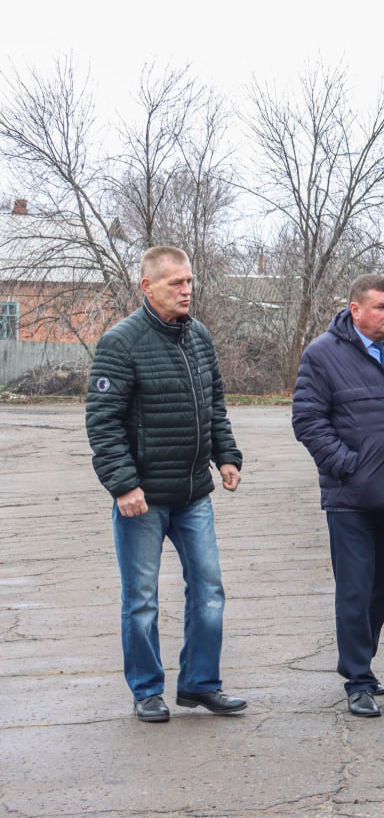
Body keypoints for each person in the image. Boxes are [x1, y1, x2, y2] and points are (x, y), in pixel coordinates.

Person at [85, 245, 246, 723]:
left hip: (194, 493)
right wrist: (123, 485)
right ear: (147, 286)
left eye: (189, 281)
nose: (186, 289)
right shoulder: (121, 342)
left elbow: (214, 404)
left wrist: (226, 456)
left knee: (209, 590)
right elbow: (103, 423)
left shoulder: (199, 336)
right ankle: (147, 690)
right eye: (176, 282)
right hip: (143, 499)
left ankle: (200, 683)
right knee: (141, 600)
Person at [292, 274, 384, 718]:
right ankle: (358, 679)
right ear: (355, 310)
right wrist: (347, 465)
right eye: (381, 307)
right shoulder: (323, 354)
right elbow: (308, 420)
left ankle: (356, 656)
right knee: (355, 589)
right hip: (351, 496)